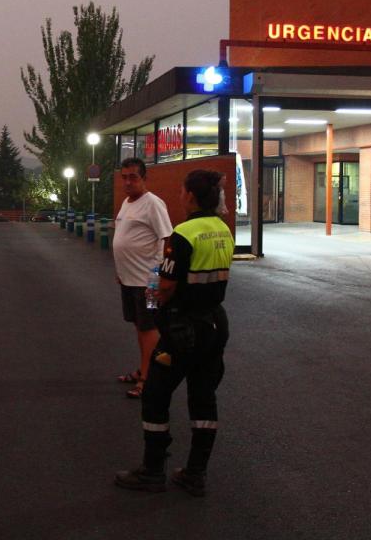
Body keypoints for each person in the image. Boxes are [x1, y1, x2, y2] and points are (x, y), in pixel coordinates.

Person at [115, 169, 233, 496]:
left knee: (155, 395)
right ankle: (195, 472)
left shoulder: (183, 234)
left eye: (182, 192)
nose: (179, 196)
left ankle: (153, 470)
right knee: (203, 397)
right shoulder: (222, 229)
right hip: (215, 324)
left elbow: (166, 286)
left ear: (191, 197)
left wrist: (154, 299)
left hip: (184, 328)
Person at [111, 157, 172, 399]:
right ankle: (142, 369)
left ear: (144, 178)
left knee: (149, 329)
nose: (127, 182)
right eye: (124, 177)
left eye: (133, 177)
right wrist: (121, 271)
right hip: (129, 280)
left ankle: (148, 379)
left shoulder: (153, 204)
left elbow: (166, 238)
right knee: (139, 326)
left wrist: (157, 277)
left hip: (147, 282)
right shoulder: (127, 202)